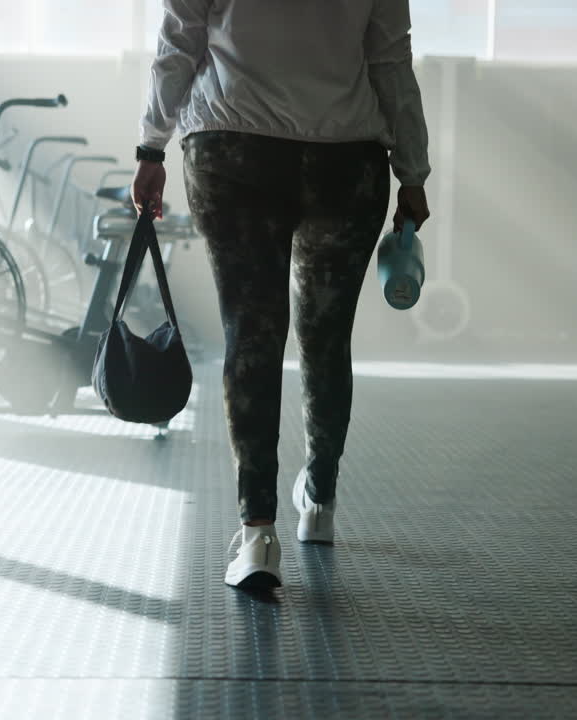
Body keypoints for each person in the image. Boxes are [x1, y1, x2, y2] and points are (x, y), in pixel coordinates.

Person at [132, 0, 431, 590]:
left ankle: (257, 533)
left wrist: (151, 147)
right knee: (325, 336)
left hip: (232, 148)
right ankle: (319, 500)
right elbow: (391, 60)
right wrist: (413, 173)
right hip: (345, 160)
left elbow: (179, 42)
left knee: (252, 330)